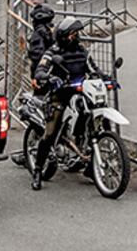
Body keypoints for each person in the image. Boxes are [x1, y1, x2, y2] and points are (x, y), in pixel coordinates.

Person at [31, 16, 104, 190]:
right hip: (60, 94)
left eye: (77, 33)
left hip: (80, 93)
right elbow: (40, 70)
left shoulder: (82, 51)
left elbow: (94, 69)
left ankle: (89, 163)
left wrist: (106, 78)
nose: (77, 36)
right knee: (49, 133)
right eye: (74, 33)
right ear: (65, 35)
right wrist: (48, 77)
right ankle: (38, 170)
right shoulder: (53, 52)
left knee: (97, 120)